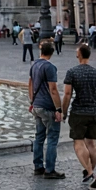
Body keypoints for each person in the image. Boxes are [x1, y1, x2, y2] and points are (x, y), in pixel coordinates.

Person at [61, 43, 96, 190]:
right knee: (92, 144)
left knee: (78, 143)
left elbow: (67, 94)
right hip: (95, 113)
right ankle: (90, 172)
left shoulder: (72, 72)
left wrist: (63, 111)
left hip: (79, 113)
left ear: (79, 55)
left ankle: (89, 174)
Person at [29, 40, 63, 179]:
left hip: (36, 105)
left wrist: (32, 101)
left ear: (41, 51)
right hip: (48, 107)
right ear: (52, 52)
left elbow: (30, 85)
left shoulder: (34, 65)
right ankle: (50, 169)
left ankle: (38, 166)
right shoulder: (50, 67)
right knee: (52, 138)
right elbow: (53, 89)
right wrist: (59, 109)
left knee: (39, 137)